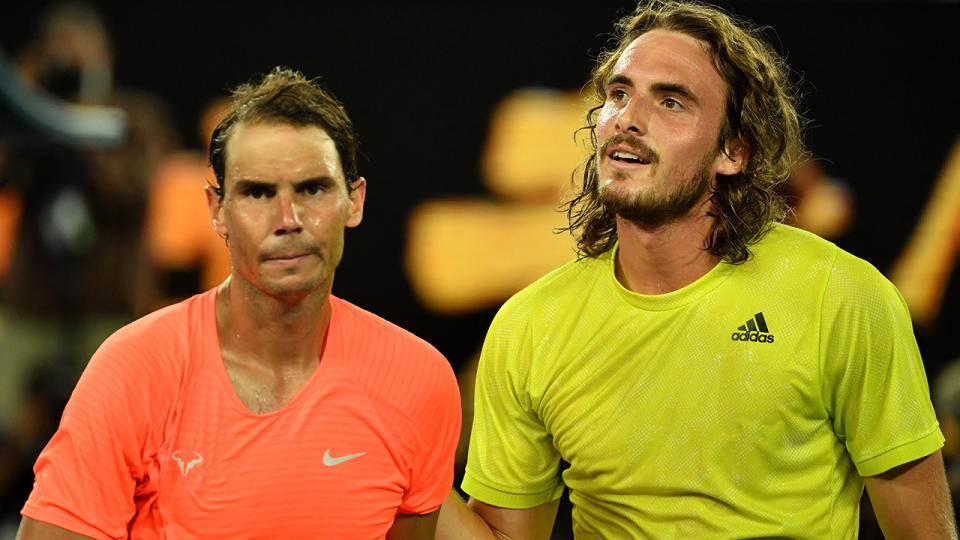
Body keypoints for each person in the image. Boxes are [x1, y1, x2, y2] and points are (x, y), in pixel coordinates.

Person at [437, 1, 955, 538]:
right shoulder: (529, 325)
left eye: (670, 101)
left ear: (732, 151)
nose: (628, 119)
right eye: (619, 94)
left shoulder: (841, 295)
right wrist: (413, 476)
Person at [16, 67, 460, 539]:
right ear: (217, 211)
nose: (288, 219)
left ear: (355, 201)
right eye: (258, 193)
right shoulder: (136, 368)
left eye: (312, 188)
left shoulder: (417, 379)